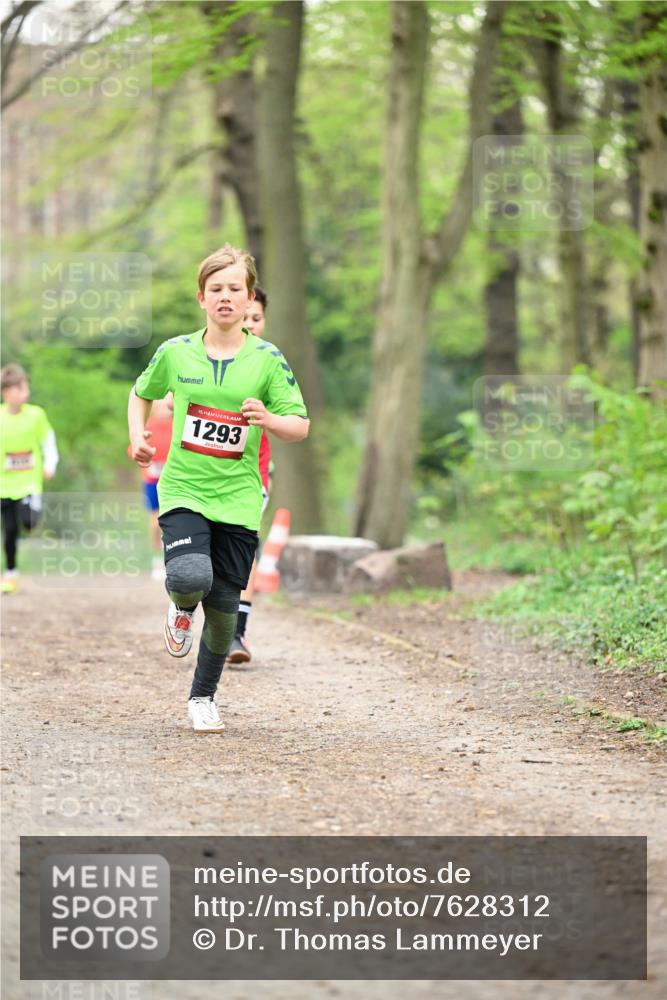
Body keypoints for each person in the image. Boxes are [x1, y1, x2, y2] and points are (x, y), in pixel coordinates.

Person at [128, 244, 309, 733]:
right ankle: (182, 607)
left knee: (227, 614)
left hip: (240, 497)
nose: (225, 297)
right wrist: (136, 437)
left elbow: (300, 425)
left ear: (249, 298)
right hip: (185, 486)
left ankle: (203, 698)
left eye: (234, 289)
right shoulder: (175, 352)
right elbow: (140, 393)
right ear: (201, 298)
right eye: (215, 290)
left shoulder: (268, 360)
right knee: (190, 578)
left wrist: (269, 418)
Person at [227, 286, 271, 665]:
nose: (251, 325)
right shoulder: (206, 356)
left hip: (252, 476)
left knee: (245, 550)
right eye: (245, 318)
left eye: (257, 318)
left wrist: (270, 416)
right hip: (201, 478)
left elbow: (293, 417)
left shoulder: (270, 364)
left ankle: (235, 634)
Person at [0, 363, 59, 593]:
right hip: (4, 485)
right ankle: (11, 573)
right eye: (21, 389)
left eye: (26, 388)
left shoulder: (36, 415)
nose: (26, 393)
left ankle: (33, 511)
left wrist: (50, 463)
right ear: (7, 392)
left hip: (29, 482)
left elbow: (48, 440)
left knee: (29, 521)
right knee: (10, 530)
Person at [142, 394, 174, 581]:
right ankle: (156, 560)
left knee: (172, 520)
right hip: (153, 482)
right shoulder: (147, 427)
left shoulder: (178, 427)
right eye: (158, 404)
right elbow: (135, 450)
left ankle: (171, 558)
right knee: (155, 522)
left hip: (174, 481)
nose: (162, 408)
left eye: (166, 404)